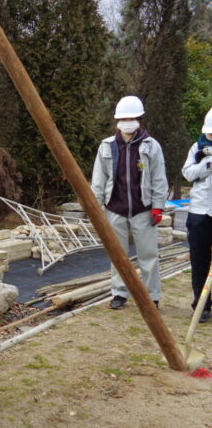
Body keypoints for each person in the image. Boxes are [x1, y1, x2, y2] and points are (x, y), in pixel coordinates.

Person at [91, 96, 168, 310]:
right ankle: (119, 293)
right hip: (115, 209)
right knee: (118, 255)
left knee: (148, 255)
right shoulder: (106, 146)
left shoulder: (151, 146)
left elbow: (159, 178)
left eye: (131, 117)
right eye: (124, 118)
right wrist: (96, 210)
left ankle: (152, 296)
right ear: (117, 120)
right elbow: (98, 181)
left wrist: (158, 207)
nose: (127, 121)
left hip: (143, 210)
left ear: (139, 118)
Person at [182, 108, 212, 323]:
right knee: (199, 261)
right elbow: (188, 173)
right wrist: (206, 164)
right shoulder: (197, 147)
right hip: (200, 212)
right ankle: (201, 305)